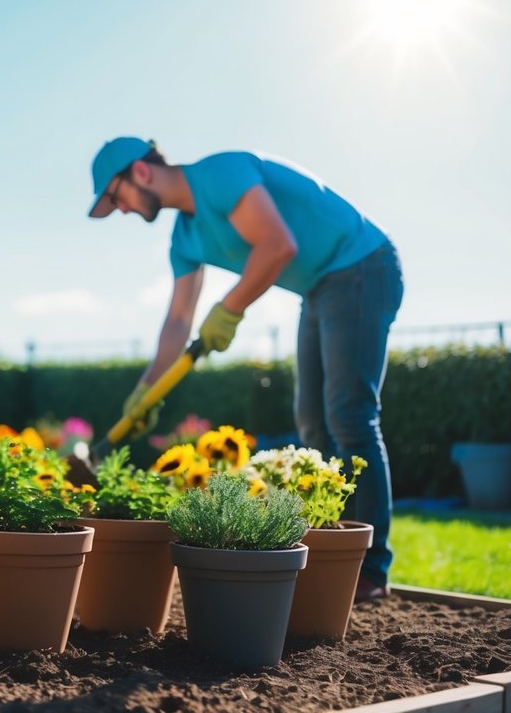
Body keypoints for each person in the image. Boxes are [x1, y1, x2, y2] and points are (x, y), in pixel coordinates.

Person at [87, 136, 403, 602]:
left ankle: (371, 571)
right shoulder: (185, 239)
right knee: (314, 424)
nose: (124, 211)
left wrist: (228, 309)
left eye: (117, 198)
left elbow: (278, 246)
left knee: (350, 417)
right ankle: (335, 557)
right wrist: (145, 392)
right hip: (319, 288)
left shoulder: (220, 174)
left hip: (363, 265)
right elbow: (177, 322)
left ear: (140, 171)